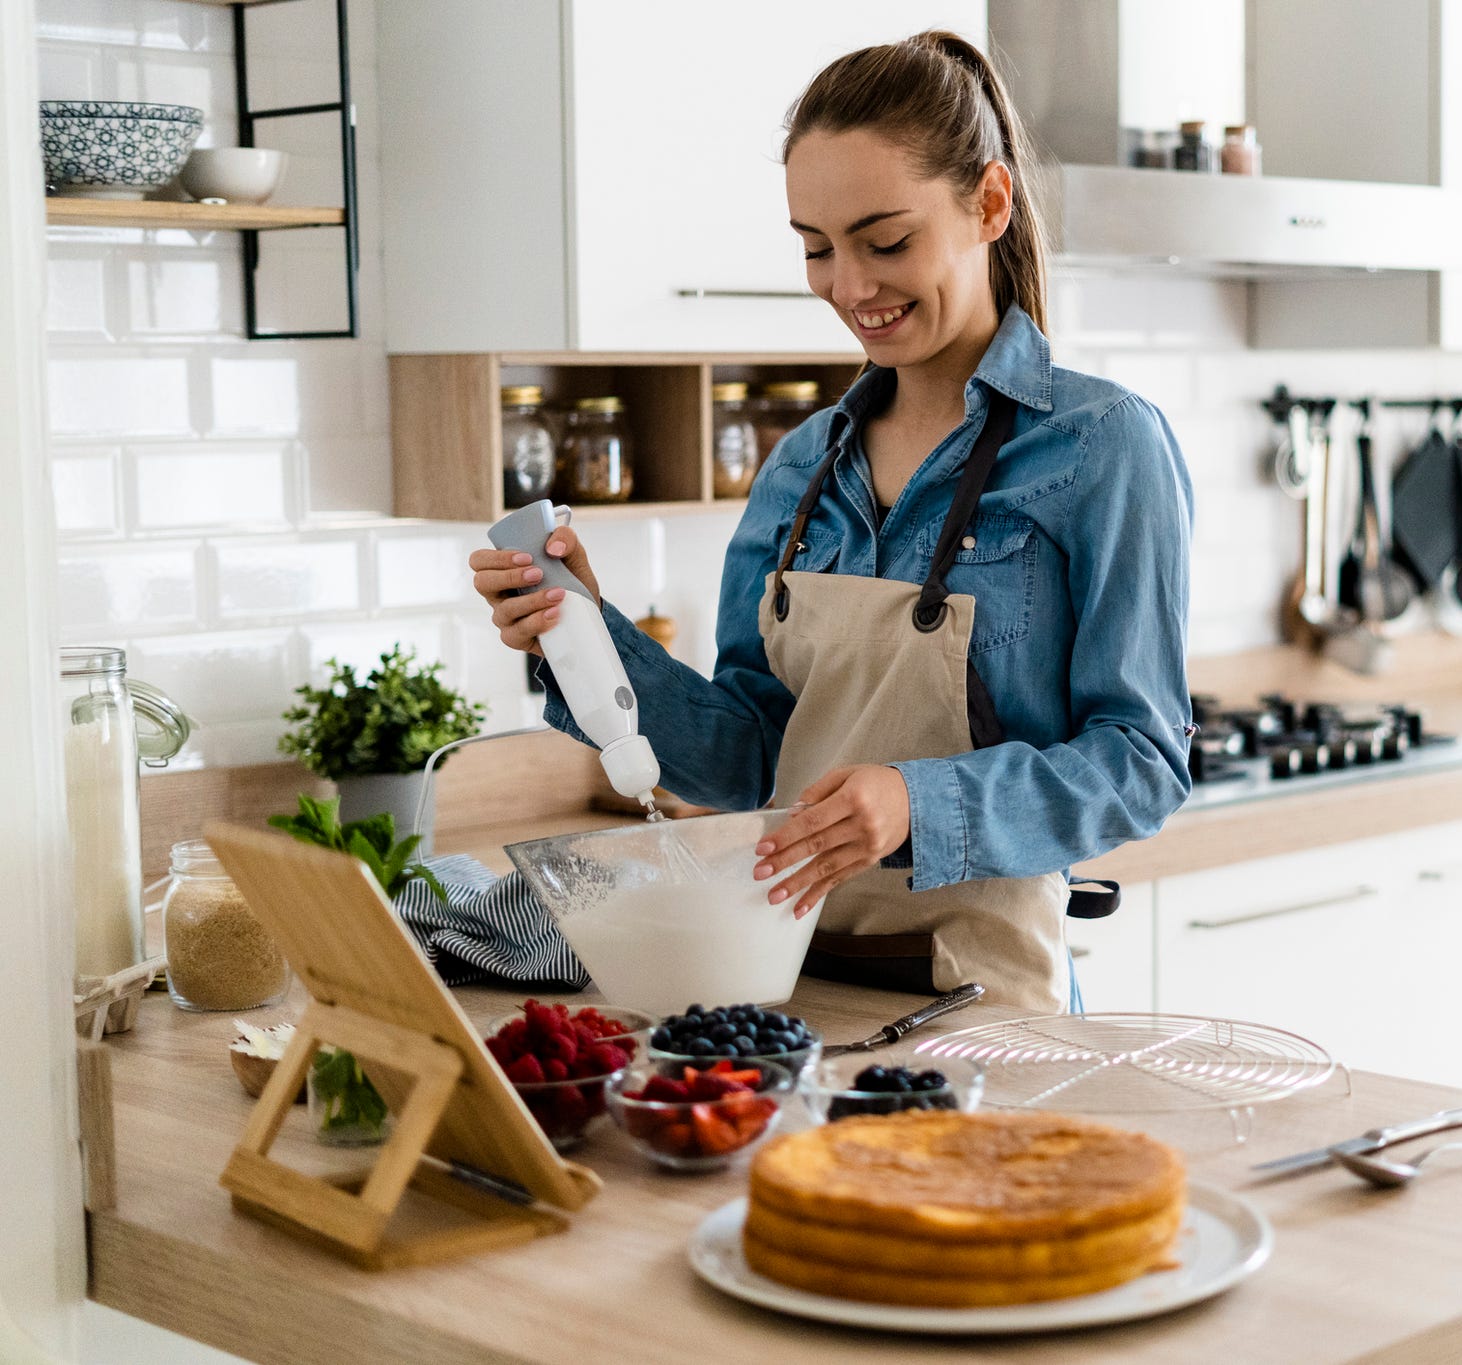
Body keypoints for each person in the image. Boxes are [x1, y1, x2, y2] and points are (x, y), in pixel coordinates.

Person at [469, 30, 1192, 1013]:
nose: (849, 287)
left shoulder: (1101, 446)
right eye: (815, 247)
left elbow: (1141, 764)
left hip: (977, 997)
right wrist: (591, 634)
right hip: (778, 979)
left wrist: (914, 802)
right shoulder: (799, 467)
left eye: (884, 241)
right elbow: (747, 761)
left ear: (987, 202)